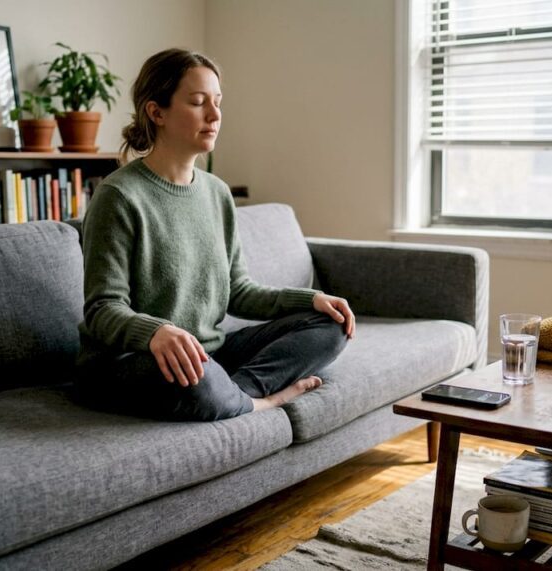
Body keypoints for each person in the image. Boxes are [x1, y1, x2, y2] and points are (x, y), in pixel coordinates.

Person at [76, 48, 354, 422]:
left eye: (218, 102)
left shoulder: (217, 192)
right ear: (156, 112)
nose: (214, 115)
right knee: (197, 380)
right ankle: (259, 401)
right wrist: (157, 332)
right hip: (134, 363)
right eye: (197, 102)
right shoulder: (119, 196)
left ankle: (234, 395)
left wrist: (312, 298)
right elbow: (101, 310)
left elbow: (238, 291)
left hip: (207, 356)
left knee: (331, 325)